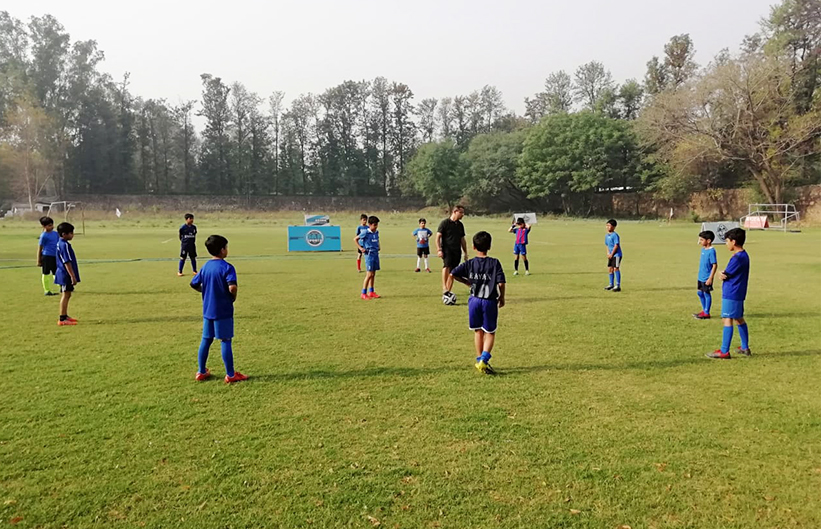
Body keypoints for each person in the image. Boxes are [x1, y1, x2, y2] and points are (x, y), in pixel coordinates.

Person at [190, 235, 248, 383]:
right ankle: (230, 375)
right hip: (223, 310)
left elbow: (194, 283)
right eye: (226, 247)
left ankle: (201, 371)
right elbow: (232, 287)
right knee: (225, 340)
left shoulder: (206, 267)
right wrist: (232, 297)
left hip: (208, 310)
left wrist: (206, 291)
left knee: (206, 339)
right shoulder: (227, 267)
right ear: (222, 250)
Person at [451, 231, 506, 375]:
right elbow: (501, 283)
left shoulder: (470, 264)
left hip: (474, 301)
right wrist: (502, 297)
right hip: (489, 301)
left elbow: (453, 273)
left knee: (478, 331)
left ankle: (479, 360)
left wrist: (467, 282)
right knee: (490, 332)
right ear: (490, 246)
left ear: (474, 247)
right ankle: (484, 359)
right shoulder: (494, 263)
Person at [706, 228, 752, 359]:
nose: (726, 244)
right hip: (738, 292)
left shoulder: (737, 258)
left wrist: (720, 274)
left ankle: (724, 351)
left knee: (727, 319)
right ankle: (744, 347)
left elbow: (725, 275)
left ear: (734, 241)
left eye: (727, 241)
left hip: (732, 292)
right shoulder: (744, 255)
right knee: (738, 318)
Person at [436, 205, 467, 301]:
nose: (463, 215)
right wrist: (439, 249)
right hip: (447, 249)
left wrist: (465, 252)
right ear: (455, 212)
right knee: (447, 266)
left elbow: (462, 239)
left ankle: (448, 291)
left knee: (453, 272)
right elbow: (438, 237)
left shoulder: (460, 225)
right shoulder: (445, 223)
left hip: (456, 250)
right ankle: (444, 287)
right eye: (461, 212)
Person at [54, 222, 80, 326]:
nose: (72, 235)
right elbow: (66, 262)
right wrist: (72, 276)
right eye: (71, 233)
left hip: (64, 274)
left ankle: (65, 315)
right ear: (64, 234)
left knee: (67, 294)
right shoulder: (64, 245)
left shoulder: (62, 243)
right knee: (65, 295)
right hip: (65, 274)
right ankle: (62, 318)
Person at [694, 230, 718, 319]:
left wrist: (710, 278)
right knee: (700, 293)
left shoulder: (712, 251)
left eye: (701, 240)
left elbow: (714, 265)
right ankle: (704, 310)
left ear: (708, 241)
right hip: (701, 276)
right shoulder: (703, 249)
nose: (700, 241)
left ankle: (707, 313)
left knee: (706, 294)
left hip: (707, 277)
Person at [356, 215, 381, 299]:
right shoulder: (365, 232)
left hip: (375, 254)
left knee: (373, 274)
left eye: (377, 225)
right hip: (369, 255)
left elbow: (377, 240)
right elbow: (355, 239)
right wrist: (361, 248)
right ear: (369, 224)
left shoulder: (376, 232)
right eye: (374, 225)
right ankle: (363, 293)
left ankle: (371, 291)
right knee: (369, 274)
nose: (376, 226)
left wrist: (378, 246)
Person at [37, 216, 59, 296]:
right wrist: (39, 260)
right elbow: (40, 248)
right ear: (44, 226)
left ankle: (61, 287)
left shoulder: (56, 234)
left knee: (56, 272)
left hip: (55, 256)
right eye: (49, 225)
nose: (51, 227)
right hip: (46, 256)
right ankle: (47, 290)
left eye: (52, 225)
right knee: (46, 273)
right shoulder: (44, 236)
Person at [604, 219, 623, 292]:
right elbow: (607, 245)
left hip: (617, 255)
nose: (608, 227)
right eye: (607, 225)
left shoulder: (615, 235)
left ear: (614, 227)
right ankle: (611, 284)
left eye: (609, 225)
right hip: (611, 255)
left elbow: (616, 245)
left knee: (616, 268)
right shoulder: (606, 236)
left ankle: (618, 285)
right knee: (610, 269)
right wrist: (608, 253)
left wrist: (612, 254)